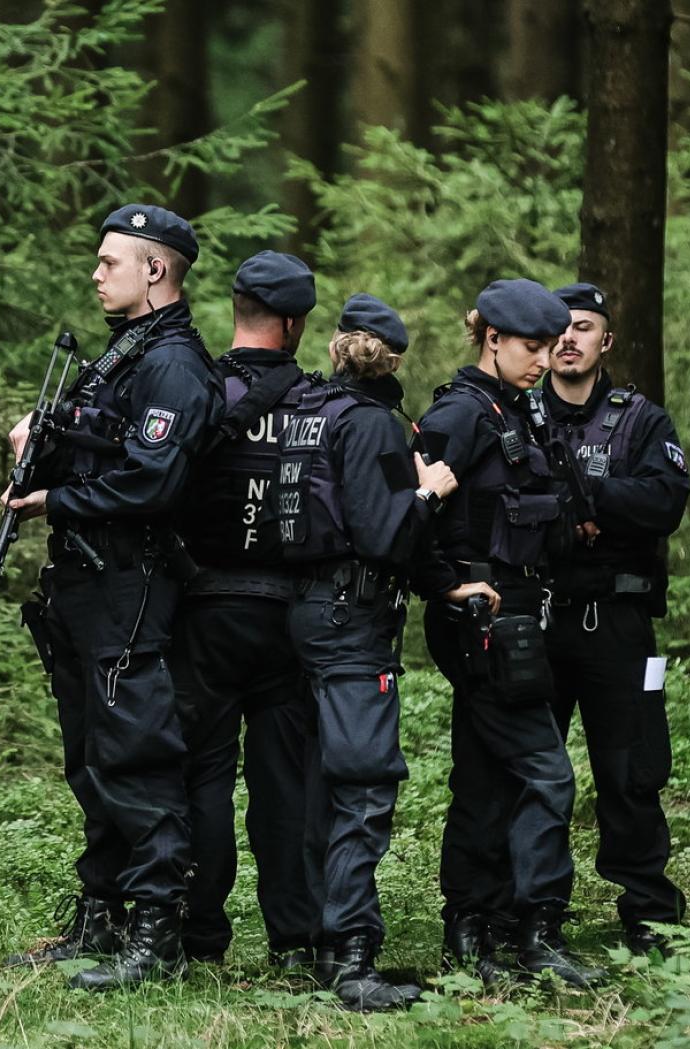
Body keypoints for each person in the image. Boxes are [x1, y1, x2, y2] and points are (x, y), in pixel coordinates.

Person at [2, 203, 222, 991]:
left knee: (136, 754)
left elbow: (153, 479)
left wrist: (55, 502)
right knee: (92, 754)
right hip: (87, 580)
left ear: (155, 269)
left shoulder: (174, 365)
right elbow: (103, 450)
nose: (96, 275)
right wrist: (40, 445)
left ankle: (157, 932)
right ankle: (101, 913)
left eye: (109, 262)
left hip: (131, 581)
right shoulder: (124, 355)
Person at [412, 278, 604, 988]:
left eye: (552, 346)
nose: (544, 359)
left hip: (520, 615)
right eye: (531, 346)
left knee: (486, 779)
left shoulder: (516, 411)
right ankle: (537, 929)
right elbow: (407, 516)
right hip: (483, 624)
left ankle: (471, 927)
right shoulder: (460, 415)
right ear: (492, 337)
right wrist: (445, 585)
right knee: (548, 775)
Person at [273, 294, 457, 1011]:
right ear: (394, 359)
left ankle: (313, 936)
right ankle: (349, 955)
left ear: (335, 348)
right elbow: (386, 534)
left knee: (317, 781)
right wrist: (431, 492)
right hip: (352, 624)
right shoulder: (377, 425)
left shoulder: (307, 413)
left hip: (300, 613)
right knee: (362, 781)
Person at [170, 251, 321, 973]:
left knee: (202, 774)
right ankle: (295, 939)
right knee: (285, 781)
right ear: (293, 325)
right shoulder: (317, 405)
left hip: (201, 610)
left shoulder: (196, 394)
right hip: (289, 616)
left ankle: (199, 935)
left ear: (236, 309)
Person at [538, 282, 690, 956]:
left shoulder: (642, 421)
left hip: (621, 624)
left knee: (632, 771)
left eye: (584, 327)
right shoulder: (517, 415)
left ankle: (649, 913)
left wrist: (590, 495)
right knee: (530, 772)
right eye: (558, 329)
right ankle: (531, 910)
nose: (569, 339)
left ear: (607, 341)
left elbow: (665, 501)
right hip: (537, 622)